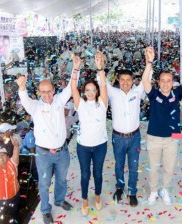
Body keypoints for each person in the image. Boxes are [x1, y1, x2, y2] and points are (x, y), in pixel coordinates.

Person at [17, 67, 76, 223]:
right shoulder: (35, 106)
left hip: (62, 151)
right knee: (44, 183)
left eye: (49, 91)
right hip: (43, 154)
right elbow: (25, 100)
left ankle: (59, 200)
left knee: (62, 179)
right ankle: (45, 209)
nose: (47, 94)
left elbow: (71, 87)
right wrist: (22, 87)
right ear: (38, 93)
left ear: (54, 90)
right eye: (43, 92)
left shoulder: (59, 100)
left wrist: (75, 68)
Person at [141, 46, 182, 206]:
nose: (166, 84)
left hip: (173, 137)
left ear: (172, 82)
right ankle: (154, 191)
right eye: (163, 81)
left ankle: (164, 189)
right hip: (154, 136)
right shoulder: (154, 94)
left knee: (169, 167)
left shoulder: (177, 94)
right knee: (153, 168)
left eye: (169, 81)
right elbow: (145, 81)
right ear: (159, 82)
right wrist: (149, 62)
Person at [71, 53, 108, 215]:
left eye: (94, 89)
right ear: (84, 91)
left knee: (98, 174)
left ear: (97, 90)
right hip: (83, 147)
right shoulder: (80, 104)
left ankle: (98, 197)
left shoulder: (102, 103)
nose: (91, 92)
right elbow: (73, 87)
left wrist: (100, 67)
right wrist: (76, 68)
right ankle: (85, 201)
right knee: (85, 174)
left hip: (100, 145)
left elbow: (104, 85)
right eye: (88, 90)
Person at [107, 68, 145, 207]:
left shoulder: (137, 92)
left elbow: (146, 77)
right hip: (118, 138)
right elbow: (102, 81)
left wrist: (149, 62)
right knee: (119, 165)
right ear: (118, 80)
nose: (125, 82)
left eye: (128, 80)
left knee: (133, 166)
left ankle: (132, 192)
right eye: (122, 79)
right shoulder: (113, 93)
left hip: (134, 137)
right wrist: (100, 67)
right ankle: (119, 188)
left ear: (132, 80)